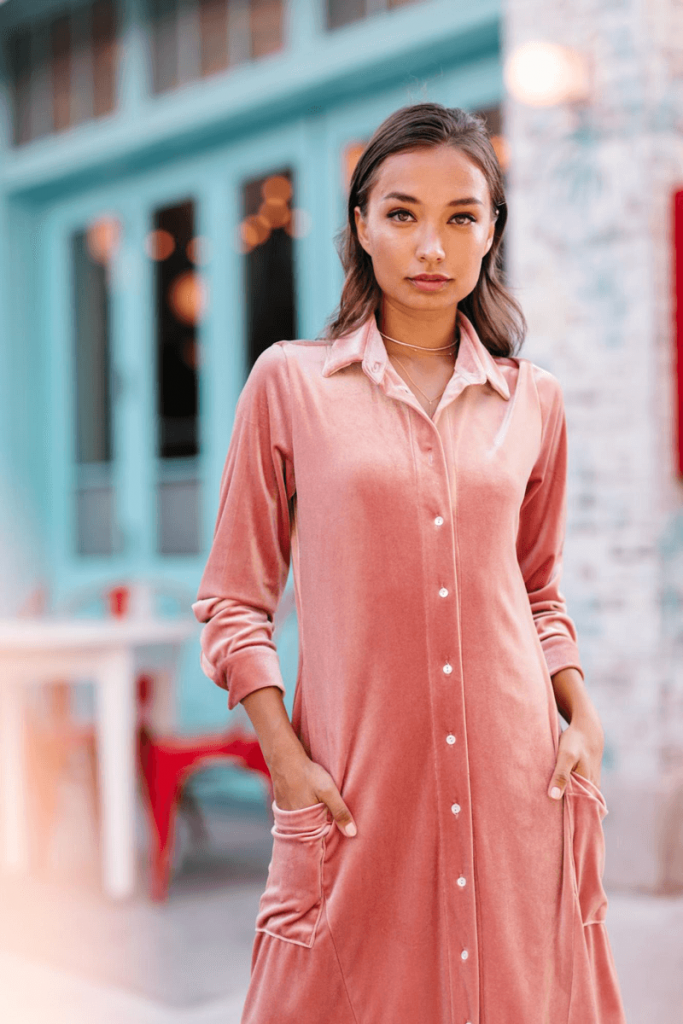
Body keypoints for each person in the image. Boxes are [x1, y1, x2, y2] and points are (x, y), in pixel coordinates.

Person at [192, 103, 628, 1024]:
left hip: (522, 783)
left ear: (491, 232)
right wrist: (285, 760)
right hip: (356, 789)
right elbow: (234, 601)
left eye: (460, 216)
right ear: (360, 224)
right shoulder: (289, 385)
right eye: (401, 213)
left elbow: (536, 588)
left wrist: (581, 719)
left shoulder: (533, 402)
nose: (431, 243)